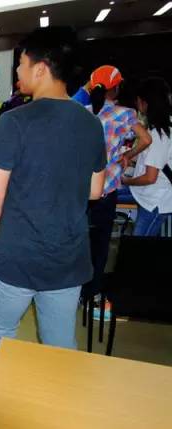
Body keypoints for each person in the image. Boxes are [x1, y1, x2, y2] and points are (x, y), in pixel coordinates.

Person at [0, 27, 107, 368]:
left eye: (20, 64)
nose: (17, 72)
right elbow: (96, 190)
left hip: (15, 256)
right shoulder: (91, 124)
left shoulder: (13, 122)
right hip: (67, 259)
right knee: (59, 346)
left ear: (40, 68)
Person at [83, 65, 151, 300]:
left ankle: (76, 292)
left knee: (80, 243)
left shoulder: (83, 112)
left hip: (80, 191)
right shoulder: (125, 114)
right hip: (106, 190)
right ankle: (92, 293)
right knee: (100, 245)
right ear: (116, 88)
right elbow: (145, 139)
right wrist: (127, 156)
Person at [122, 77, 172, 236]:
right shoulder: (162, 126)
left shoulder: (160, 134)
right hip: (146, 194)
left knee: (140, 243)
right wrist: (130, 157)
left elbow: (150, 178)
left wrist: (127, 181)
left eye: (138, 100)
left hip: (155, 201)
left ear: (145, 103)